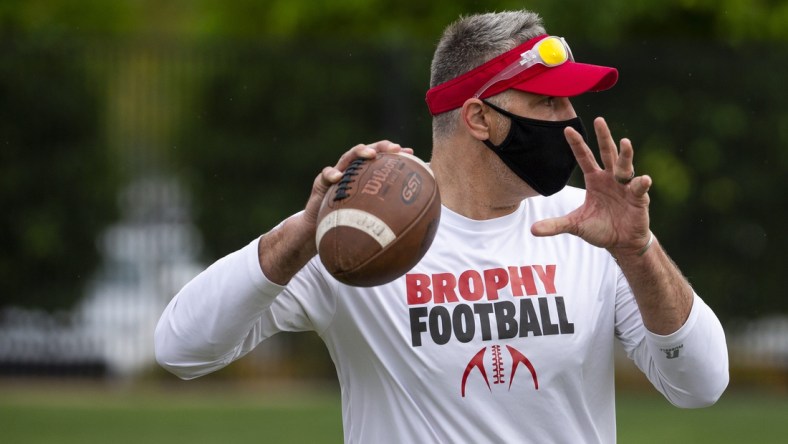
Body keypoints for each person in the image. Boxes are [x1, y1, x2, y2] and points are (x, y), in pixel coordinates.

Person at [155, 9, 729, 443]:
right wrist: (303, 234)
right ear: (479, 117)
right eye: (547, 104)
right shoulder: (357, 231)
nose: (570, 119)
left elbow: (701, 386)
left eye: (569, 104)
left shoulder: (592, 228)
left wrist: (639, 251)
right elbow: (180, 348)